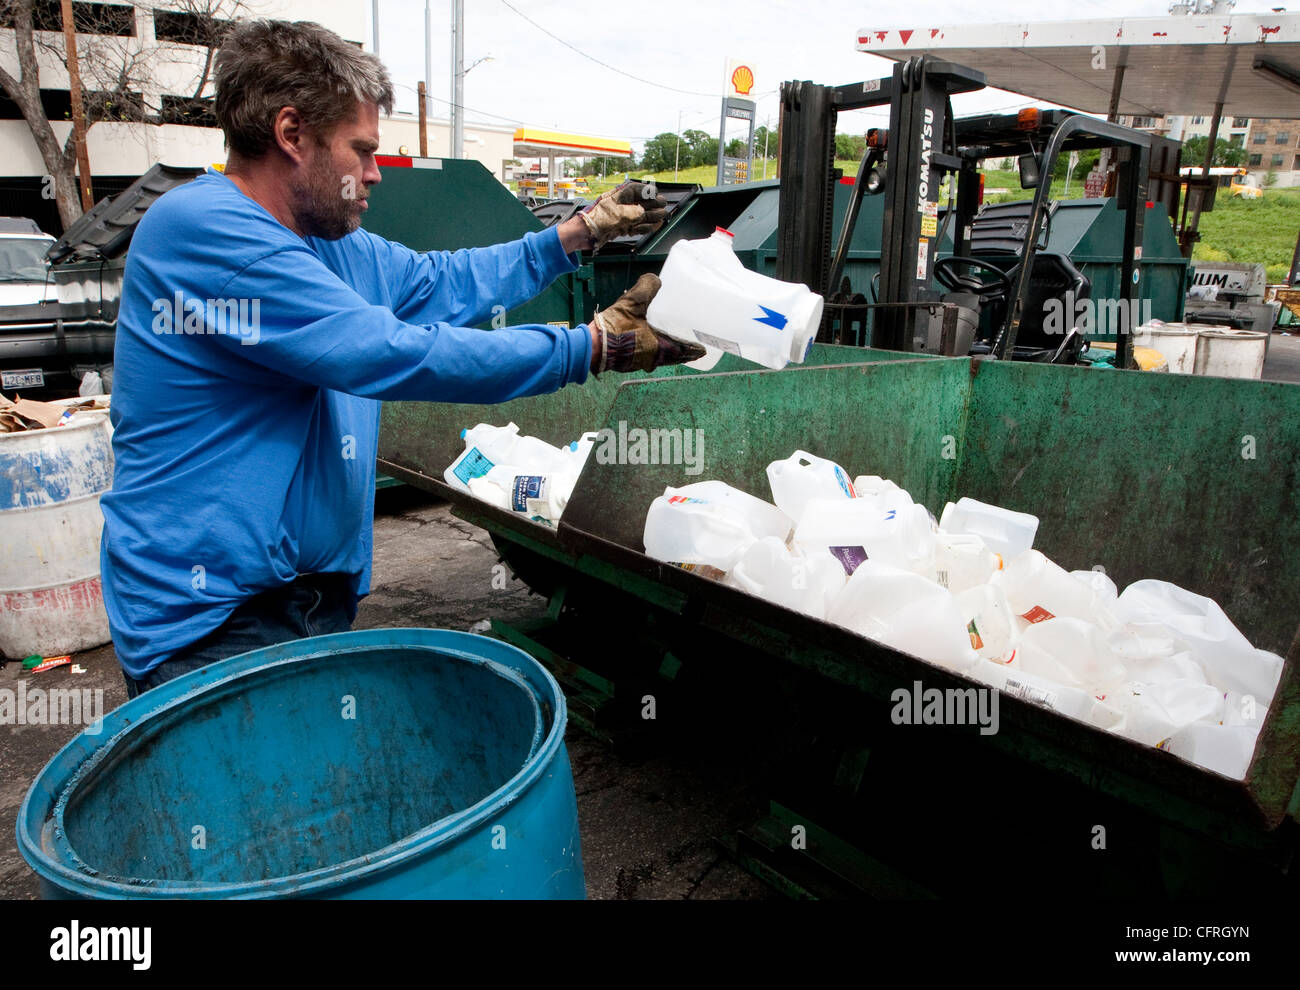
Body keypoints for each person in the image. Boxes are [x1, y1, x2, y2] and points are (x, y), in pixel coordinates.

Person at [101, 19, 702, 697]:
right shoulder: (203, 230)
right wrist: (592, 347)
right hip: (215, 625)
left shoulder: (329, 244)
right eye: (360, 151)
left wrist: (575, 234)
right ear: (291, 134)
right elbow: (390, 354)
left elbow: (437, 285)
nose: (375, 172)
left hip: (303, 600)